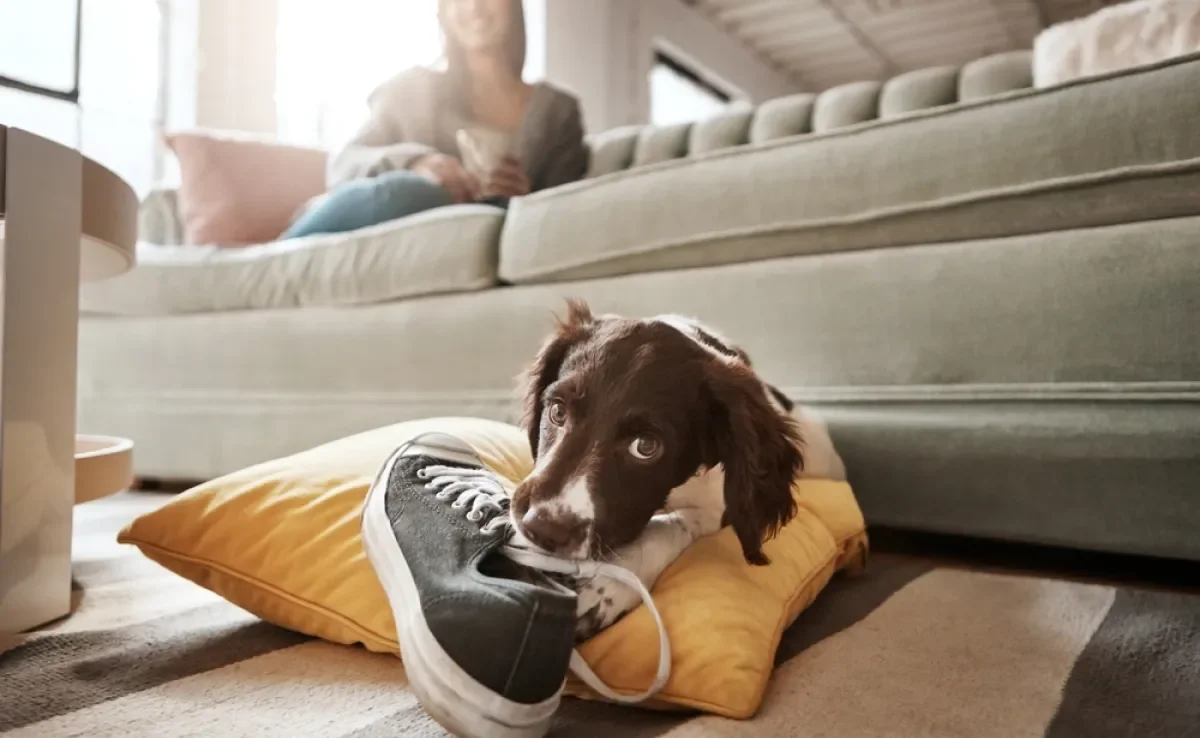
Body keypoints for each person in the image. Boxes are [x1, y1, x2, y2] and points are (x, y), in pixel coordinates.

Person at [283, 0, 589, 239]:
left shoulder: (558, 113)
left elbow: (564, 219)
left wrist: (526, 199)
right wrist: (416, 163)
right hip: (365, 223)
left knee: (498, 210)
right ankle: (269, 261)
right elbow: (342, 165)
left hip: (470, 244)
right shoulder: (411, 89)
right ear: (442, 12)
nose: (474, 7)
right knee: (417, 191)